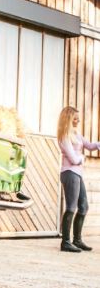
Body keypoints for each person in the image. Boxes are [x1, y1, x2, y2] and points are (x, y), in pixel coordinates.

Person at [57, 106, 97, 252]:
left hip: (78, 174)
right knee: (71, 207)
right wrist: (82, 157)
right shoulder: (64, 136)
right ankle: (65, 242)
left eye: (78, 118)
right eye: (75, 118)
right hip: (69, 173)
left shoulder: (76, 135)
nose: (78, 120)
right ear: (67, 118)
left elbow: (91, 145)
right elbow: (74, 159)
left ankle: (77, 240)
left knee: (83, 206)